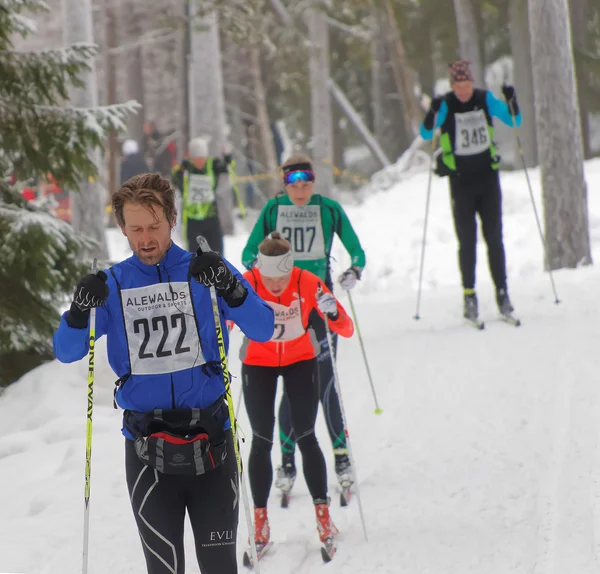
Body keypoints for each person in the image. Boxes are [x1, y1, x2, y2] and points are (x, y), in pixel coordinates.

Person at [52, 173, 275, 574]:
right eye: (135, 229)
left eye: (154, 226)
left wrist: (231, 288)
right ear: (121, 228)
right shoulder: (114, 285)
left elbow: (263, 328)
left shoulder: (204, 272)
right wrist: (79, 311)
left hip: (212, 444)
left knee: (219, 567)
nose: (146, 238)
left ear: (172, 219)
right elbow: (66, 352)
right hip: (147, 450)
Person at [241, 154, 366, 492]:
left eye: (306, 181)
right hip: (283, 306)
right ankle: (287, 460)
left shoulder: (328, 209)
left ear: (314, 181)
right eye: (293, 182)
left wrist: (353, 271)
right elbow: (249, 252)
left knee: (323, 383)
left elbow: (356, 250)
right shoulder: (273, 210)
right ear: (284, 183)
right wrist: (259, 274)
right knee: (288, 384)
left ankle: (341, 456)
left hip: (317, 302)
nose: (300, 188)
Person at [237, 233, 354, 550]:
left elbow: (346, 328)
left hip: (300, 361)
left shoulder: (307, 281)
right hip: (258, 364)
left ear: (291, 270)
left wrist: (332, 312)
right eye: (269, 278)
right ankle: (260, 526)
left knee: (306, 435)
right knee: (261, 440)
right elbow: (223, 323)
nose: (275, 285)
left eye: (281, 278)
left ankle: (324, 517)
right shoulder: (247, 282)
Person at [420, 60, 522, 321]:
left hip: (487, 178)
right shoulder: (446, 104)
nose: (463, 91)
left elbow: (514, 120)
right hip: (461, 181)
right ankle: (469, 295)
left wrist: (512, 100)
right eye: (459, 86)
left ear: (472, 83)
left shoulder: (484, 99)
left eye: (466, 85)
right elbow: (425, 131)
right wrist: (432, 112)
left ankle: (502, 292)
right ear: (452, 85)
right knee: (466, 241)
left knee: (494, 238)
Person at [172, 137, 232, 255]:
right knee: (195, 255)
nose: (200, 162)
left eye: (202, 158)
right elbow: (175, 179)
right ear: (191, 157)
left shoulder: (213, 164)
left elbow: (228, 169)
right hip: (192, 219)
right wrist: (181, 170)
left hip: (211, 216)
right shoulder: (186, 167)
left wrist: (228, 157)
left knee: (217, 253)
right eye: (196, 159)